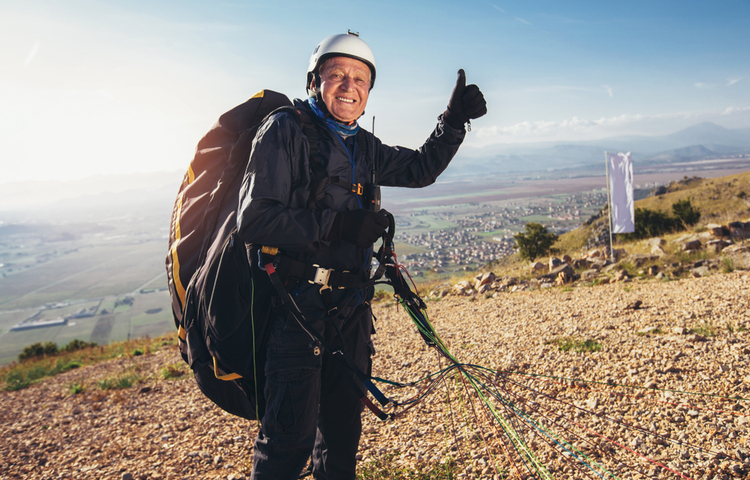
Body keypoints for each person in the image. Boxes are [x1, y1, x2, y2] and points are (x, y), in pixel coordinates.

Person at [236, 31, 486, 480]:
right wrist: (336, 225)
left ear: (369, 92)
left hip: (350, 311)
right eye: (337, 75)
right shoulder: (285, 130)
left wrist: (452, 123)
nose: (349, 86)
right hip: (295, 308)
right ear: (315, 81)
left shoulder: (362, 146)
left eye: (360, 79)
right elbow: (253, 220)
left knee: (341, 438)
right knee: (287, 444)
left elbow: (419, 169)